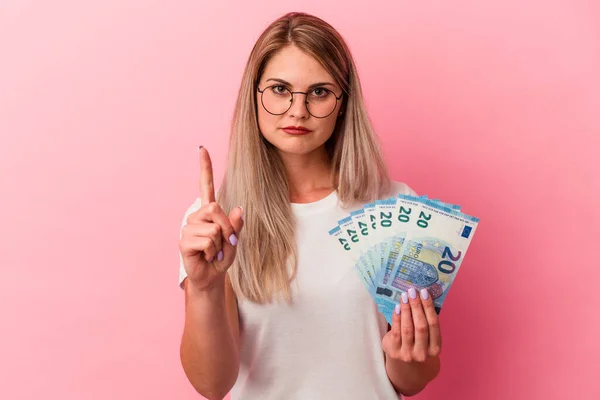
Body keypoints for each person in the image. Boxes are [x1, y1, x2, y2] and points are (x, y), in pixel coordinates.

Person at [178, 12, 441, 400]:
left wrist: (408, 353)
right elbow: (212, 385)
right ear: (254, 95)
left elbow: (412, 380)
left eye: (319, 91)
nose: (297, 110)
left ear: (342, 102)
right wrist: (204, 288)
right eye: (280, 89)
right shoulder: (214, 223)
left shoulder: (397, 208)